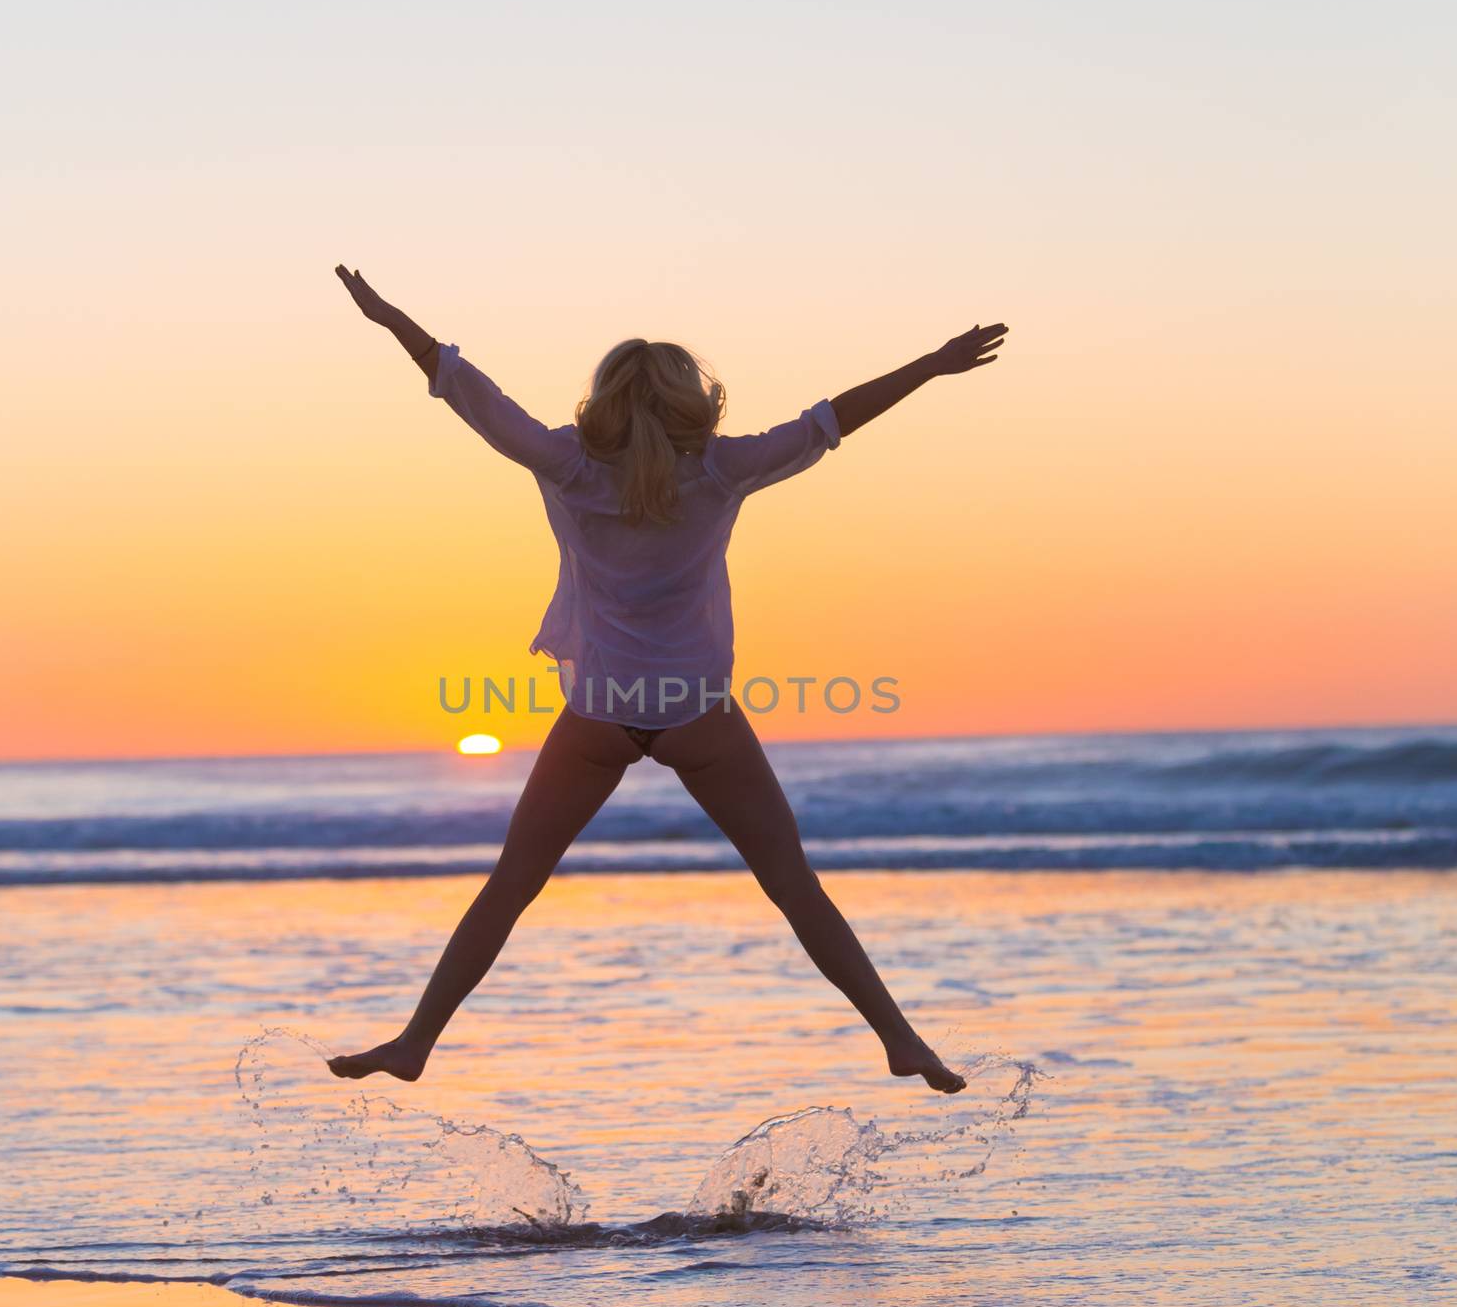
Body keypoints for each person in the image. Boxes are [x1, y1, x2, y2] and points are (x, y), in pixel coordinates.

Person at [328, 264, 1006, 1094]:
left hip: (598, 713)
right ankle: (900, 1040)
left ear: (605, 401)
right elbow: (832, 420)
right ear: (693, 401)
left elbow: (465, 389)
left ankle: (415, 1042)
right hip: (698, 715)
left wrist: (394, 321)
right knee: (795, 889)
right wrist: (932, 364)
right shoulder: (724, 470)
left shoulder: (565, 464)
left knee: (511, 886)